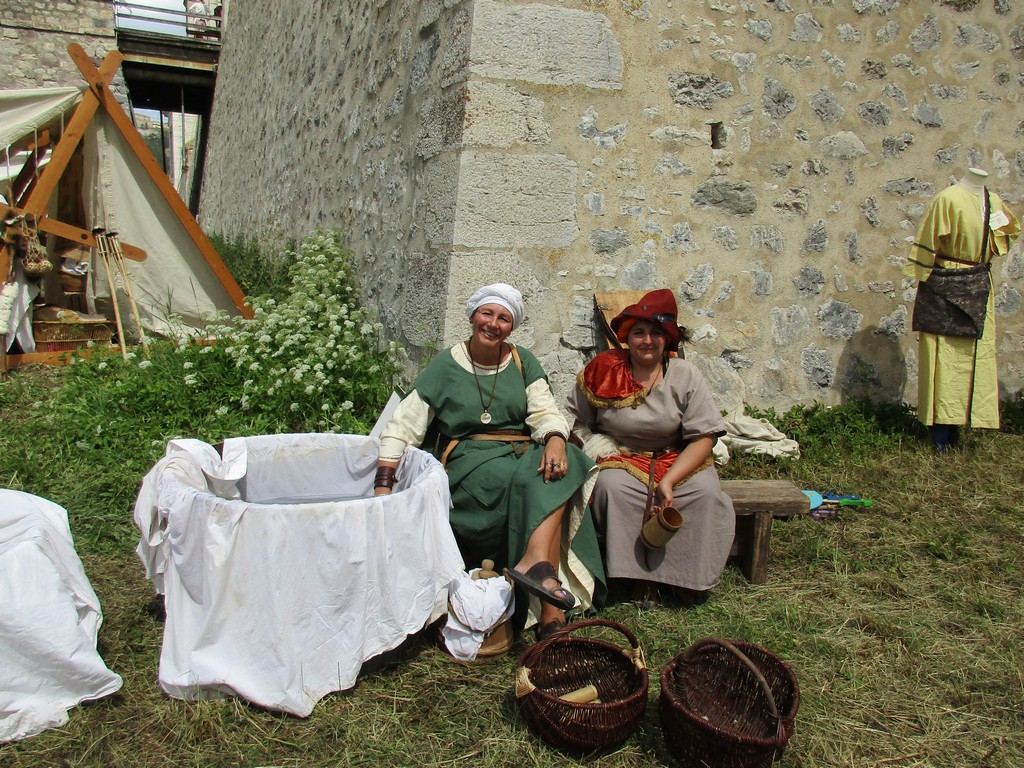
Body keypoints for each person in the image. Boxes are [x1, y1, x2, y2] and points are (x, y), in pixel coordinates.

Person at [374, 283, 605, 639]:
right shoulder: (446, 364)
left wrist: (556, 439)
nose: (493, 324)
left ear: (512, 327)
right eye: (487, 314)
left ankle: (540, 576)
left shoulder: (522, 360)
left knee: (565, 461)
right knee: (544, 483)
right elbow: (406, 423)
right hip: (470, 460)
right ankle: (550, 610)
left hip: (521, 451)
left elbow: (544, 410)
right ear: (473, 316)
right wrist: (383, 482)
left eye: (504, 318)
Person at [565, 289, 735, 608]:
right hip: (621, 457)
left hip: (677, 457)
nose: (647, 341)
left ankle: (686, 578)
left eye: (656, 333)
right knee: (613, 489)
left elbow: (703, 437)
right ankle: (639, 579)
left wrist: (668, 481)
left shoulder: (685, 374)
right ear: (627, 338)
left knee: (705, 493)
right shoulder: (605, 369)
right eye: (639, 333)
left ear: (667, 339)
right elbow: (576, 420)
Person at [904, 167, 1020, 452]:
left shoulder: (993, 201)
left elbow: (1007, 233)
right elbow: (929, 241)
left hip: (976, 285)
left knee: (971, 359)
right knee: (943, 359)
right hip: (946, 286)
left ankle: (956, 428)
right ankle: (940, 436)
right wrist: (925, 275)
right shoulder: (948, 199)